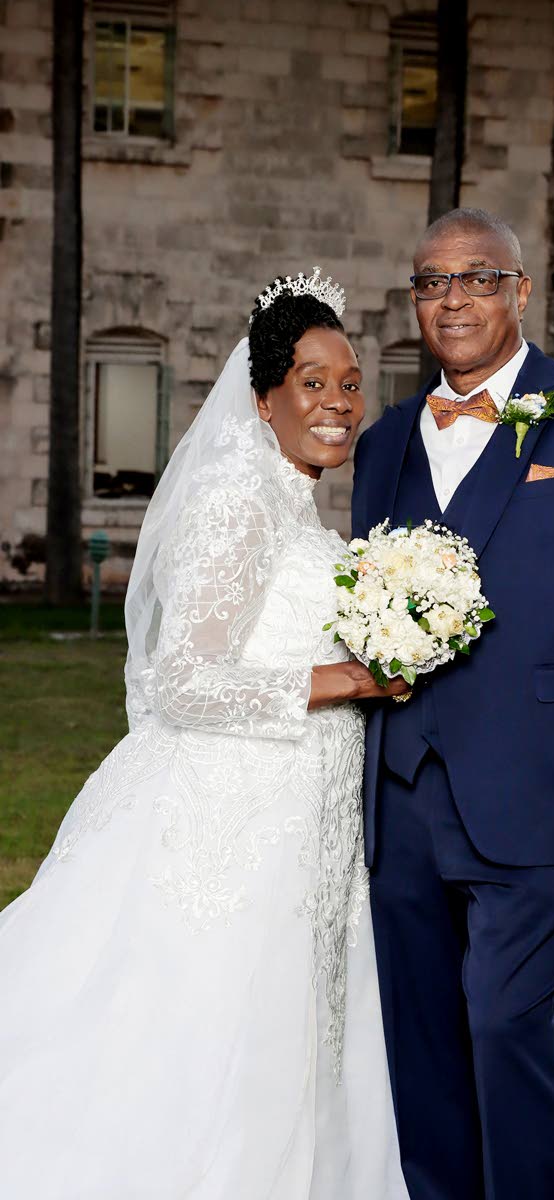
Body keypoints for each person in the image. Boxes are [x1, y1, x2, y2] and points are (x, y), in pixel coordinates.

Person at [0, 271, 409, 1199]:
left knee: (286, 1025)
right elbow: (183, 680)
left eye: (351, 383)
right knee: (206, 1026)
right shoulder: (238, 496)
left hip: (304, 813)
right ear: (263, 397)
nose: (339, 402)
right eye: (313, 381)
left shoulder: (289, 495)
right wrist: (352, 677)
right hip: (233, 816)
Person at [352, 209, 554, 1200]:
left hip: (540, 794)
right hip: (402, 795)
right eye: (430, 281)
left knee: (504, 1026)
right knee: (420, 1050)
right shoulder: (380, 444)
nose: (451, 298)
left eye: (476, 277)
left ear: (520, 291)